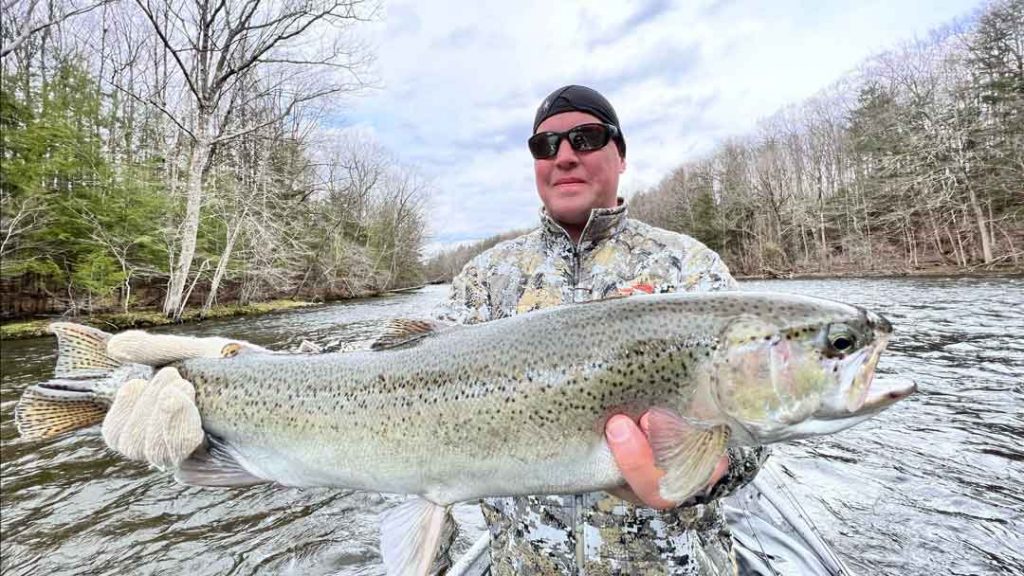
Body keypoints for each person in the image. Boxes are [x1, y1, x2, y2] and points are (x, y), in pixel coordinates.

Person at [100, 85, 767, 575]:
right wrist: (233, 366)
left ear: (619, 154)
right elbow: (378, 377)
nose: (564, 154)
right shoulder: (483, 278)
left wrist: (706, 474)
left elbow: (755, 436)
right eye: (546, 144)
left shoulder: (691, 273)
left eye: (586, 139)